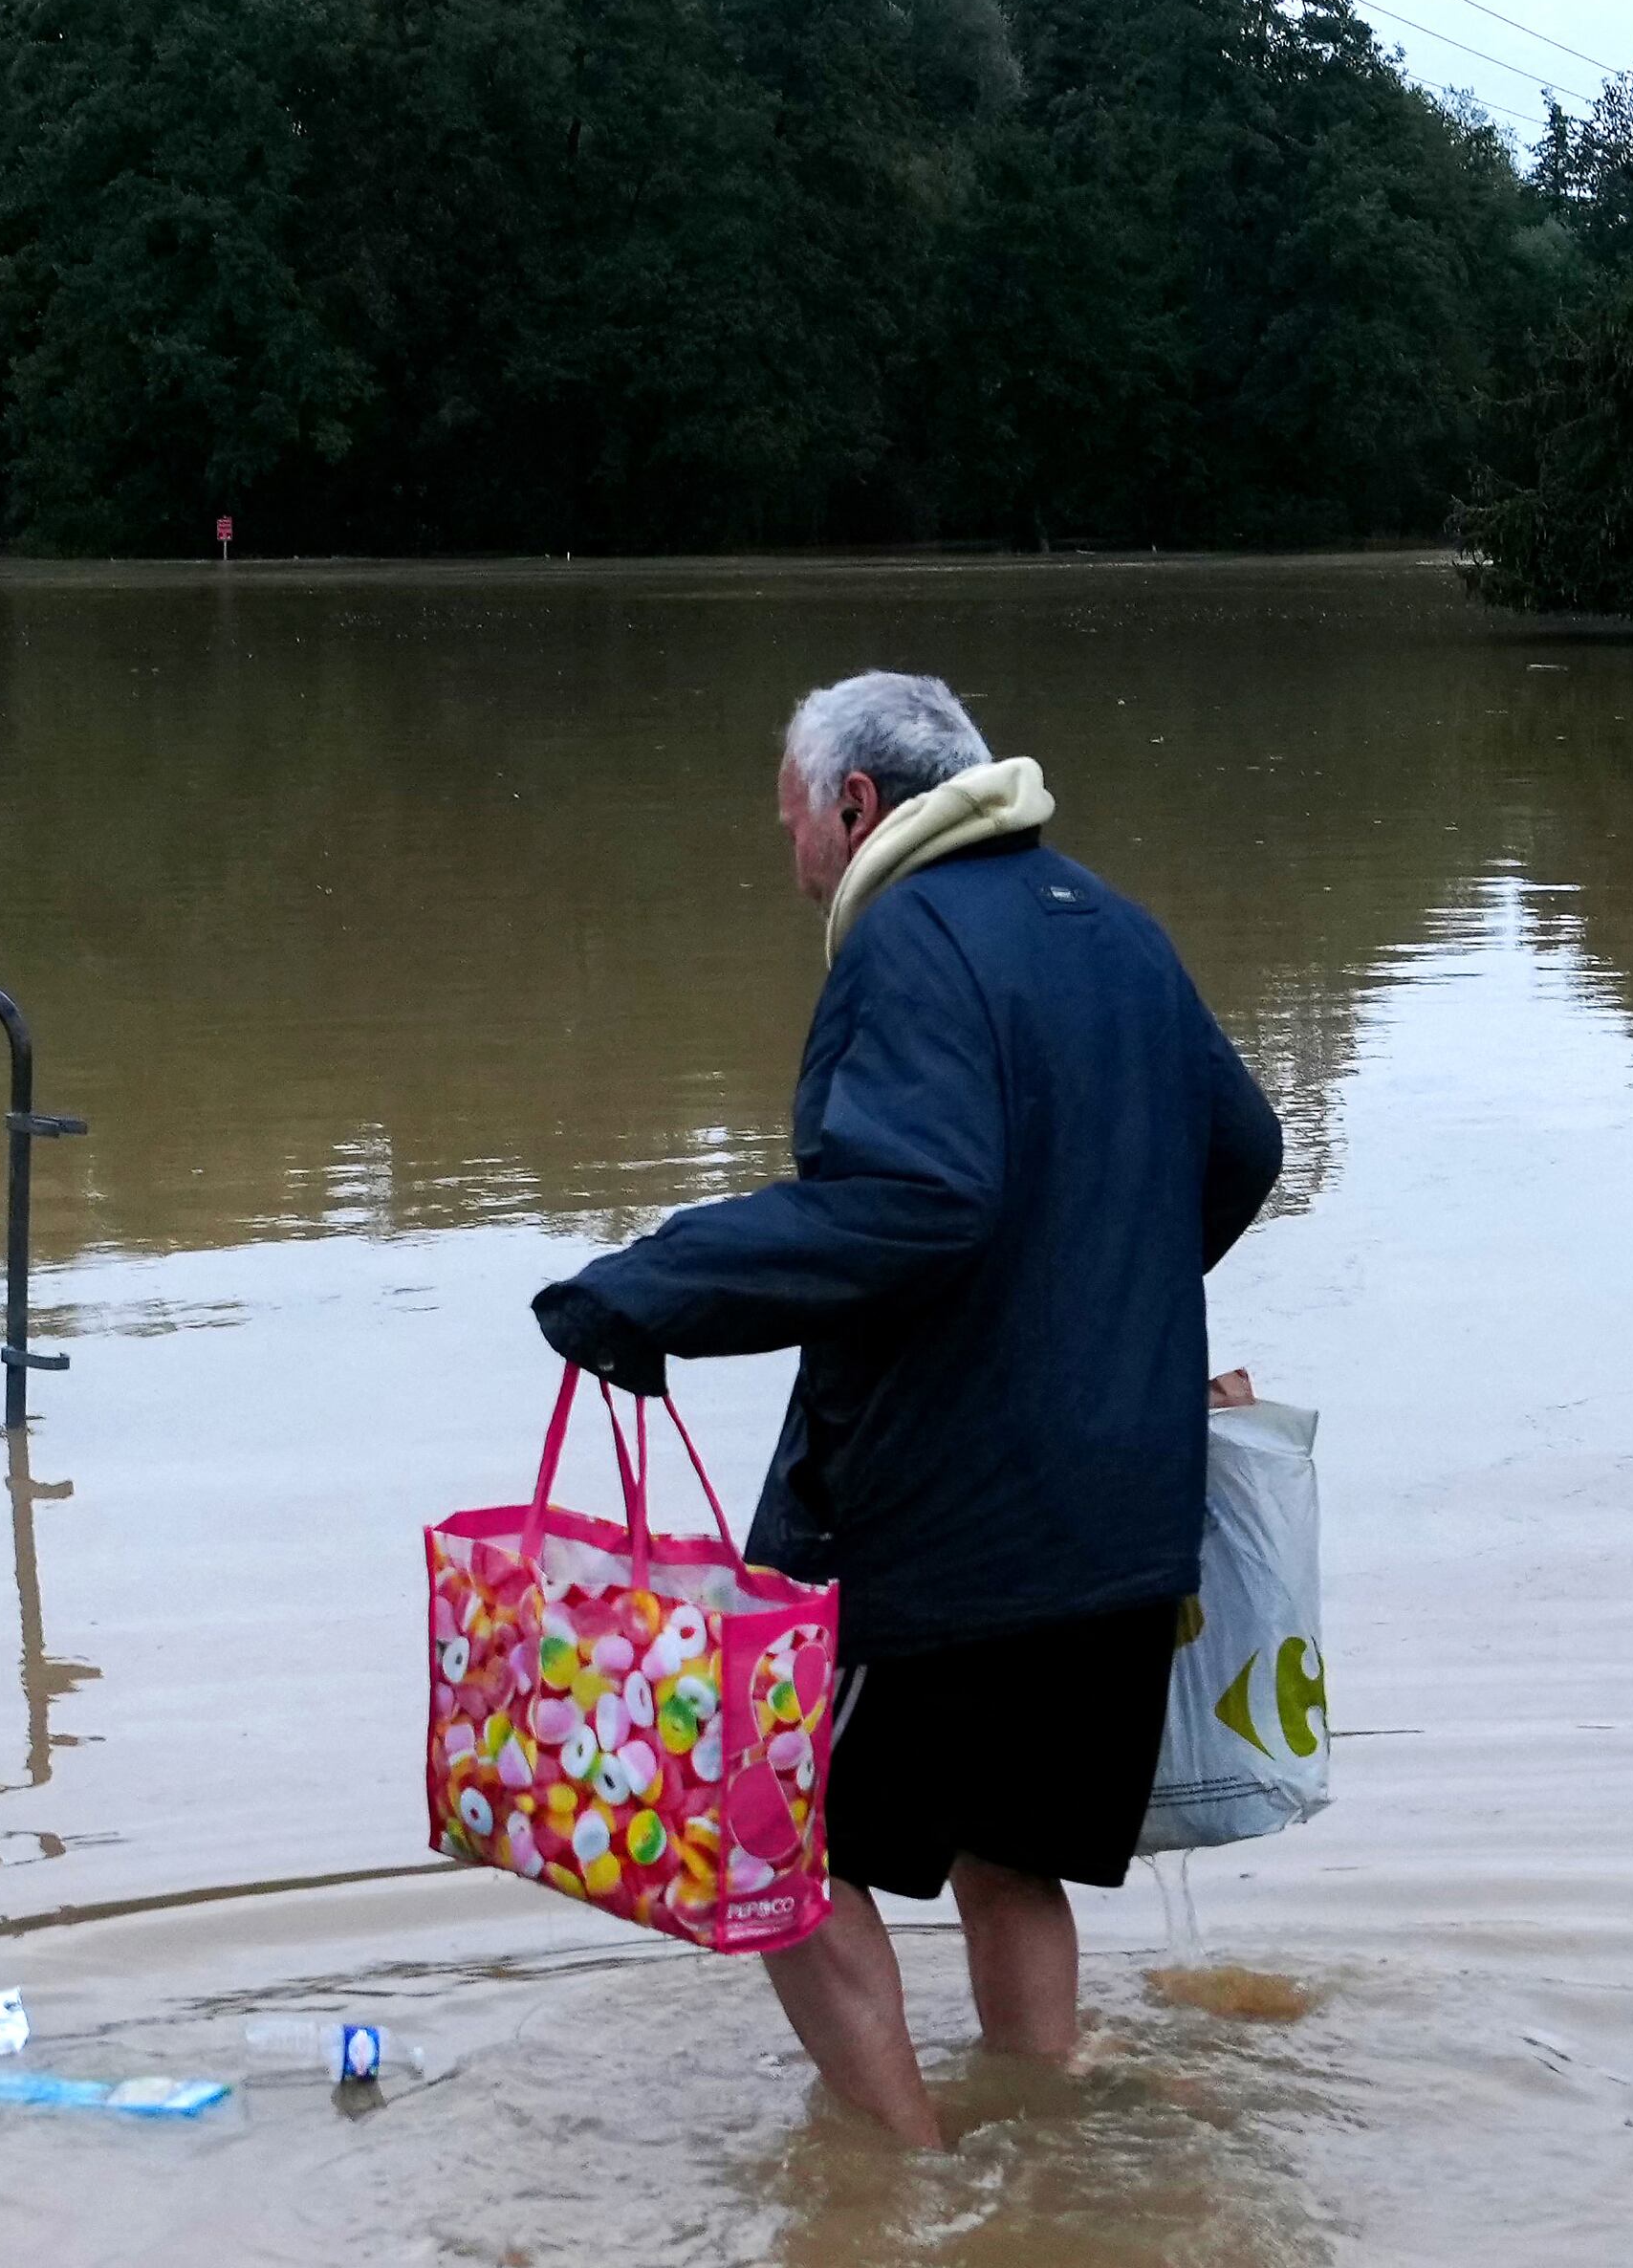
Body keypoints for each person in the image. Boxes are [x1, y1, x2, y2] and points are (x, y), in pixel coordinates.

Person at [533, 669, 1284, 2148]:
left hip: (957, 1528)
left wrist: (653, 1287)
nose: (793, 857)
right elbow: (1242, 1145)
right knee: (1012, 1847)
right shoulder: (1113, 925)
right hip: (1133, 1519)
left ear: (857, 806)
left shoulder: (909, 943)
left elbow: (914, 1200)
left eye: (791, 823)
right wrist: (1098, 1313)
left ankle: (906, 2174)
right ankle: (1050, 2136)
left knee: (769, 1833)